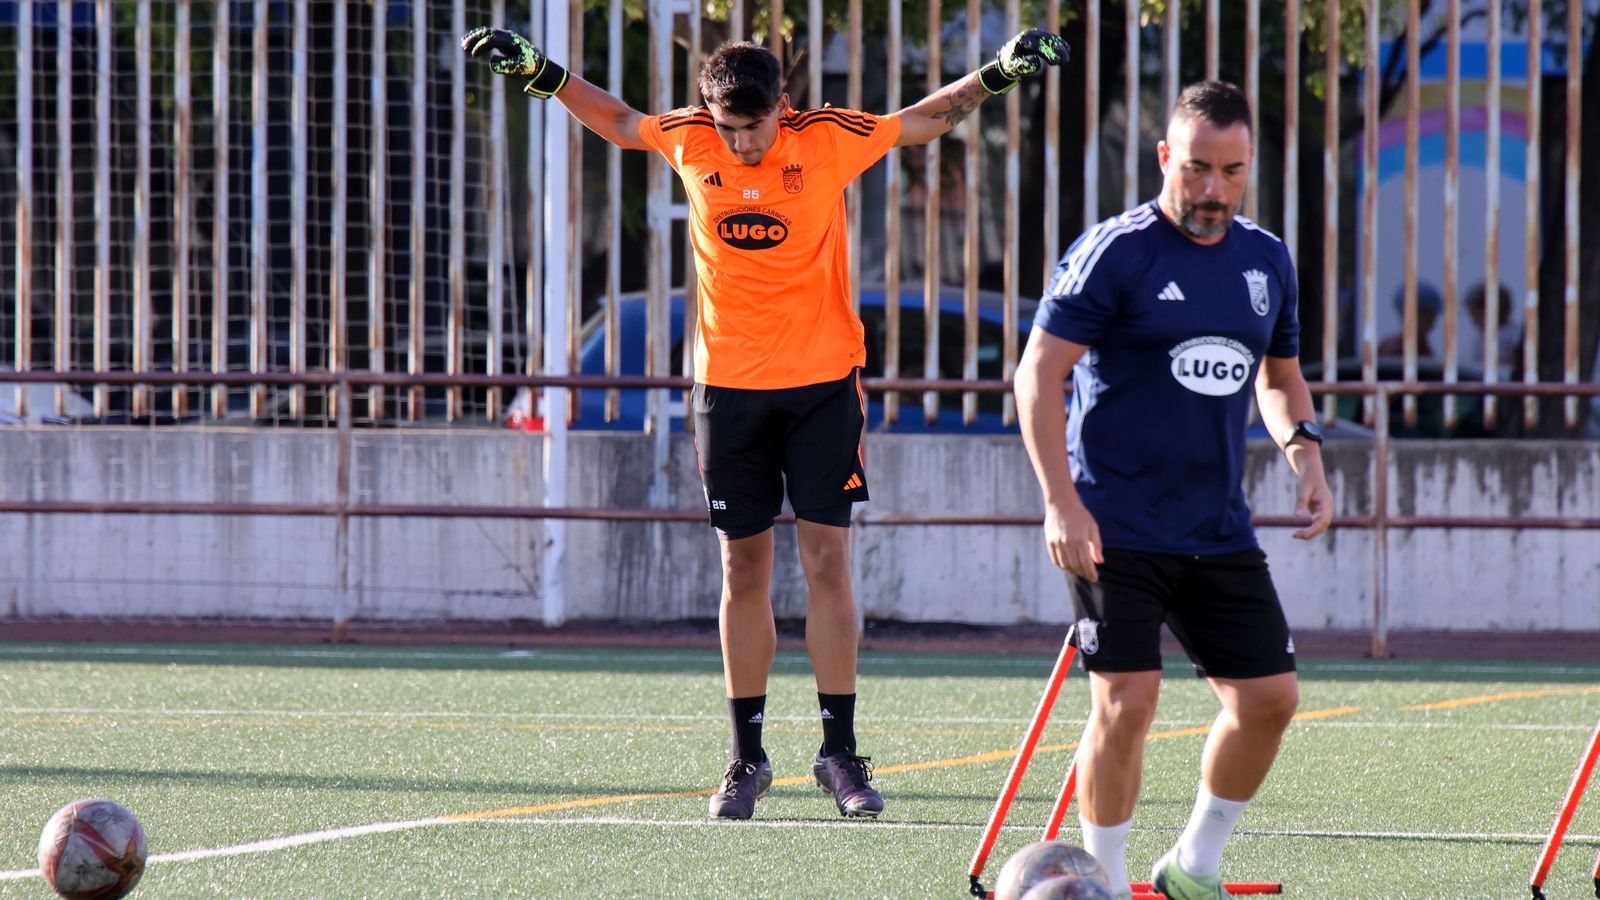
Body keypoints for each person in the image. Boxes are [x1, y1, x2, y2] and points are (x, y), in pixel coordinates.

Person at [463, 25, 1067, 821]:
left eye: (754, 126)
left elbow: (923, 118)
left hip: (822, 387)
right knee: (742, 571)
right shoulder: (690, 141)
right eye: (728, 127)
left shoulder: (825, 140)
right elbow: (615, 119)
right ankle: (746, 760)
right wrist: (539, 71)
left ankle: (840, 754)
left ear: (783, 108)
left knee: (826, 561)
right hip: (726, 392)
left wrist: (997, 72)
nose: (741, 143)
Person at [1013, 81, 1333, 899]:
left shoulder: (1266, 259)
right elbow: (1037, 376)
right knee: (1127, 701)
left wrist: (1304, 450)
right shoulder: (1117, 251)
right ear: (1165, 159)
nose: (1213, 190)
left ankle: (1193, 867)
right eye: (1197, 169)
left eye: (1232, 171)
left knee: (1270, 699)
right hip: (1110, 525)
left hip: (1216, 527)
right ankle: (1110, 885)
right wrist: (1060, 501)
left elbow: (1281, 377)